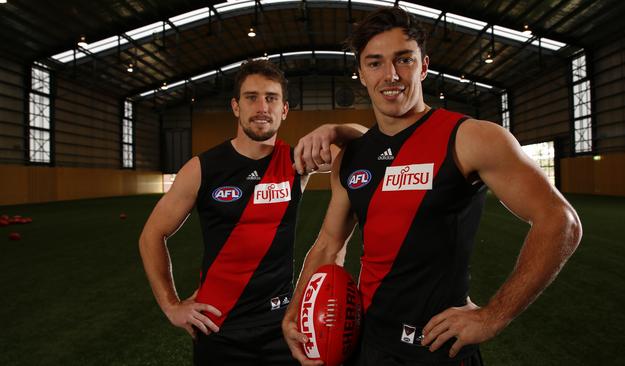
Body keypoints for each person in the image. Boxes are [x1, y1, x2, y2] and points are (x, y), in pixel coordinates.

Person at [282, 7, 582, 366]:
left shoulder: (471, 138)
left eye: (403, 60)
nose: (390, 75)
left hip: (439, 350)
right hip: (368, 343)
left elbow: (560, 221)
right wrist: (295, 310)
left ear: (424, 66)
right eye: (375, 63)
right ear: (361, 73)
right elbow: (330, 244)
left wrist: (493, 316)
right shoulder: (353, 155)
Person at [139, 59, 366, 366]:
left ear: (284, 110)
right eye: (251, 97)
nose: (262, 107)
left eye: (271, 98)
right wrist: (171, 305)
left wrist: (337, 128)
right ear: (236, 106)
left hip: (282, 325)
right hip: (219, 326)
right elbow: (152, 234)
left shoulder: (296, 161)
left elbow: (367, 146)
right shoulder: (201, 168)